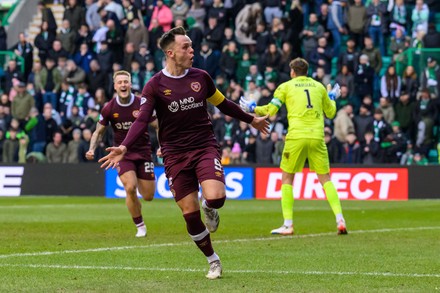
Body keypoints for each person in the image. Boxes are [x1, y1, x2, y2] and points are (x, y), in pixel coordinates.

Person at [99, 26, 269, 279]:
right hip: (174, 155)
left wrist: (250, 119)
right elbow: (141, 119)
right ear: (170, 53)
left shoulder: (201, 77)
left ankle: (209, 208)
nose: (192, 50)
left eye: (191, 46)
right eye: (186, 47)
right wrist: (124, 146)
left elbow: (224, 104)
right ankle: (213, 260)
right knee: (189, 215)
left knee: (216, 197)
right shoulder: (154, 86)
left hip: (203, 146)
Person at [240, 57, 348, 236]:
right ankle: (340, 219)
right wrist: (332, 98)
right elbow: (330, 112)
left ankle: (288, 224)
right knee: (325, 179)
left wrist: (253, 107)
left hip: (296, 136)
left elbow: (270, 111)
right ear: (307, 72)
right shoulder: (319, 87)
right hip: (317, 136)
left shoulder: (286, 86)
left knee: (287, 178)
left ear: (292, 72)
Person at [86, 70, 157, 238]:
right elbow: (98, 132)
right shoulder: (109, 108)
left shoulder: (142, 104)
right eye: (120, 82)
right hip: (121, 154)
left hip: (143, 151)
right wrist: (91, 148)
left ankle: (136, 205)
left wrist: (163, 146)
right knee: (130, 187)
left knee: (148, 196)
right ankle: (140, 225)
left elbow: (158, 126)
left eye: (126, 82)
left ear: (130, 84)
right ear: (115, 86)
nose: (123, 85)